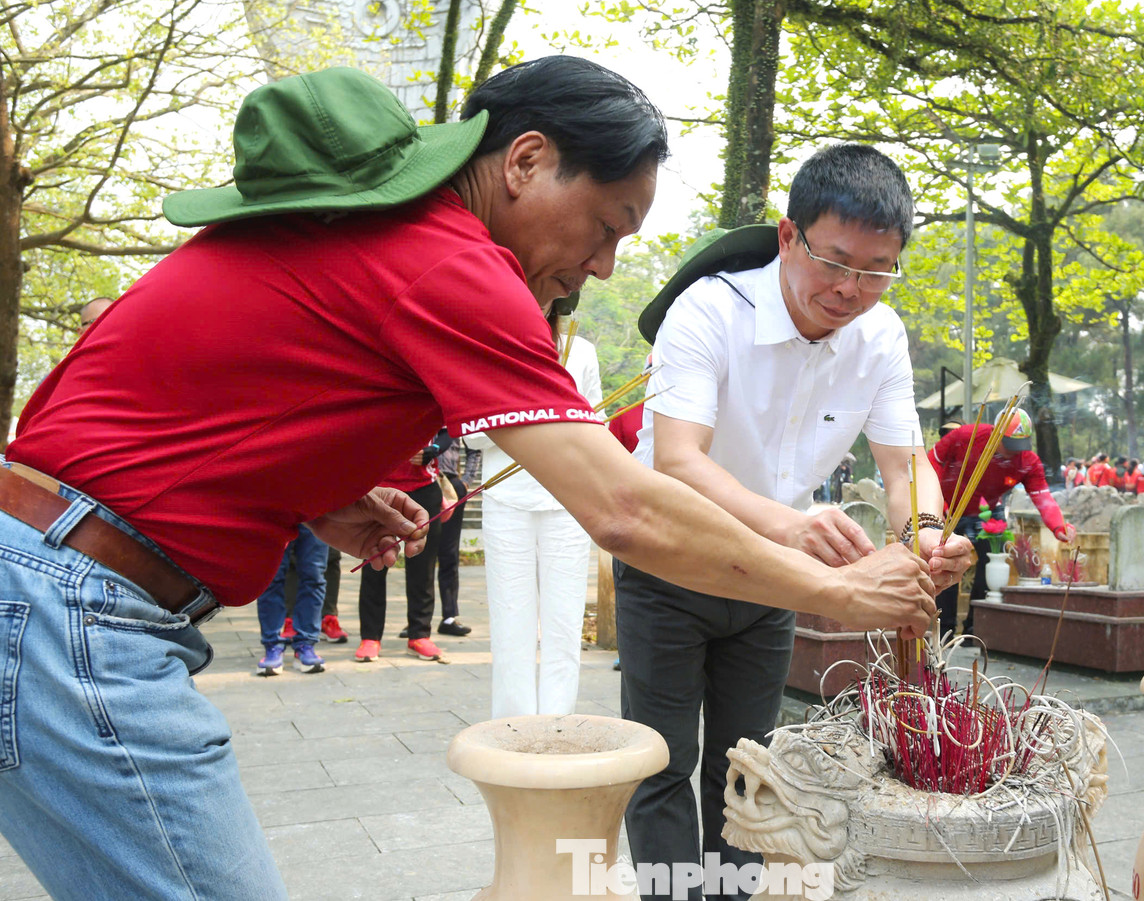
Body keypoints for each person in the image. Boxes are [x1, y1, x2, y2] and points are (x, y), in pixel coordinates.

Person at [0, 62, 949, 901]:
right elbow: (624, 505)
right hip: (70, 608)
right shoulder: (449, 258)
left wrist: (323, 497)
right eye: (607, 225)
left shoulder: (373, 233)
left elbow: (209, 395)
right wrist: (835, 590)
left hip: (45, 578)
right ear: (526, 161)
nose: (604, 264)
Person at [619, 145, 974, 901]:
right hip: (671, 559)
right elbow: (677, 460)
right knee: (661, 764)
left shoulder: (881, 336)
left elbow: (906, 464)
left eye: (876, 271)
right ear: (788, 237)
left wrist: (925, 533)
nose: (850, 289)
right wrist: (788, 526)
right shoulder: (709, 309)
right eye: (834, 261)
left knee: (751, 766)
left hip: (772, 580)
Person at [463, 307, 603, 718]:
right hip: (506, 498)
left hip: (568, 500)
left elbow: (598, 425)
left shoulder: (581, 352)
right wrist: (530, 411)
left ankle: (559, 722)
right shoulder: (491, 349)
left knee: (564, 622)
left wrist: (566, 416)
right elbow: (471, 435)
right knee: (510, 619)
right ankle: (513, 724)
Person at [928, 409, 1075, 636]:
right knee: (945, 562)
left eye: (1019, 445)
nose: (1013, 452)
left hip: (986, 510)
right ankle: (944, 629)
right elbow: (930, 464)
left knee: (993, 562)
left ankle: (975, 628)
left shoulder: (1028, 461)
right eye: (1008, 444)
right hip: (947, 507)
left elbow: (1042, 497)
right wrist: (936, 504)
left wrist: (1058, 526)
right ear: (995, 434)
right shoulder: (966, 436)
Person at [357, 453, 444, 662]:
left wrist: (434, 449)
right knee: (374, 563)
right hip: (378, 486)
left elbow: (447, 436)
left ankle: (419, 634)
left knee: (423, 566)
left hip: (423, 487)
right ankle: (370, 637)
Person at [255, 524, 329, 675]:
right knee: (270, 576)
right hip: (274, 513)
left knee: (314, 577)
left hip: (315, 513)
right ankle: (272, 645)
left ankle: (306, 643)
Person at [422, 427, 473, 637]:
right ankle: (417, 620)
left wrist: (466, 480)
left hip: (450, 484)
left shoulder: (454, 415)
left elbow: (474, 447)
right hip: (422, 481)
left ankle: (449, 616)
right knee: (421, 554)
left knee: (449, 553)